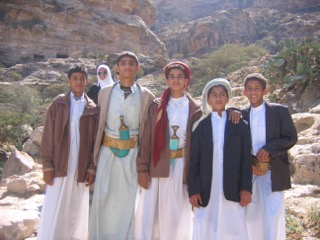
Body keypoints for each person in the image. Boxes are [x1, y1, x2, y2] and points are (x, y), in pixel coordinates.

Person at [89, 51, 155, 239]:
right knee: (103, 198)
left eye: (131, 63)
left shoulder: (146, 96)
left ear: (138, 68)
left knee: (127, 201)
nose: (127, 66)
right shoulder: (105, 92)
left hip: (132, 154)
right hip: (107, 153)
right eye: (123, 63)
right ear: (117, 68)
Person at [134, 61, 202, 240]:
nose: (176, 80)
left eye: (180, 76)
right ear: (166, 80)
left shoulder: (195, 108)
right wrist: (142, 168)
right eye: (172, 76)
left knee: (176, 211)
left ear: (187, 80)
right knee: (152, 212)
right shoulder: (157, 105)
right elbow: (147, 138)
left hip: (181, 165)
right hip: (157, 164)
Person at [37, 64, 100, 240]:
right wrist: (47, 166)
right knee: (55, 201)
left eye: (82, 79)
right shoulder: (58, 104)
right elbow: (48, 135)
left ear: (87, 81)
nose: (78, 82)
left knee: (76, 203)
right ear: (68, 81)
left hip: (80, 164)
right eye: (75, 78)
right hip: (60, 162)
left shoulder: (92, 108)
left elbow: (95, 142)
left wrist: (91, 168)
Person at [188, 78, 252, 240]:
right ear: (208, 99)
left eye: (222, 94)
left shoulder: (240, 125)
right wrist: (194, 190)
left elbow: (246, 159)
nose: (218, 98)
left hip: (233, 184)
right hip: (206, 186)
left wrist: (246, 188)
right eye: (214, 95)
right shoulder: (200, 127)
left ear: (228, 98)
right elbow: (193, 162)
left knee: (234, 225)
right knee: (205, 224)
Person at [243, 73, 297, 240]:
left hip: (274, 172)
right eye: (250, 89)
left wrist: (269, 149)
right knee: (251, 216)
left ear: (265, 91)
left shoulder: (280, 111)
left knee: (273, 214)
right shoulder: (241, 115)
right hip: (250, 173)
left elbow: (291, 137)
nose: (253, 92)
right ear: (244, 92)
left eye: (257, 88)